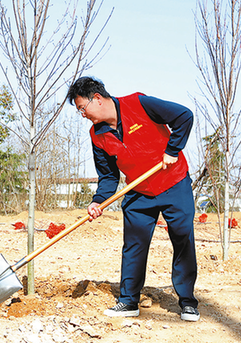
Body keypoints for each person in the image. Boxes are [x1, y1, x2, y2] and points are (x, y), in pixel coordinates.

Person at [66, 76, 200, 322]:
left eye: (82, 108)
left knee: (182, 237)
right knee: (134, 245)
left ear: (97, 98)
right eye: (79, 111)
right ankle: (128, 301)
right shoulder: (97, 136)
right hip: (139, 191)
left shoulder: (139, 104)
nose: (83, 114)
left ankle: (188, 302)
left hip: (173, 183)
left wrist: (172, 149)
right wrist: (98, 201)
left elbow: (184, 116)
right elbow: (108, 175)